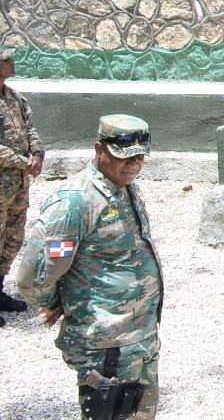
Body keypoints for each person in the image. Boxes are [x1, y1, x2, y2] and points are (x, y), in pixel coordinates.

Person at [16, 115, 163, 420]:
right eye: (124, 157)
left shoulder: (124, 188)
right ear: (99, 149)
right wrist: (55, 302)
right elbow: (34, 274)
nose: (134, 164)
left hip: (139, 335)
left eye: (139, 157)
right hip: (106, 342)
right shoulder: (75, 201)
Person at [0, 47, 43, 325]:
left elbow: (30, 129)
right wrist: (21, 161)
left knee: (12, 238)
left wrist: (37, 154)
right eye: (6, 59)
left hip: (17, 184)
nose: (12, 62)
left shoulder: (14, 96)